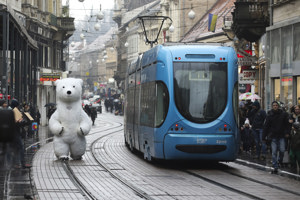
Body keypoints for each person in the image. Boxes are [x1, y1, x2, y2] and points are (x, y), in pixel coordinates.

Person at [263, 101, 290, 174]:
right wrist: (264, 136)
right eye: (274, 105)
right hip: (273, 136)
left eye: (276, 105)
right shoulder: (269, 115)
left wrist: (287, 132)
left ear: (278, 106)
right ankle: (275, 166)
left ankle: (279, 160)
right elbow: (266, 126)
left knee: (282, 150)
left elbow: (287, 124)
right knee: (274, 152)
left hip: (281, 135)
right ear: (272, 106)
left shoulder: (283, 114)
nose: (275, 106)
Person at [10, 99, 31, 169]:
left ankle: (16, 163)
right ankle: (22, 163)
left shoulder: (12, 111)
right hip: (15, 133)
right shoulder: (14, 112)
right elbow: (16, 123)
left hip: (13, 133)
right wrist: (22, 122)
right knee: (21, 148)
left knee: (15, 148)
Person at [288, 105, 300, 170]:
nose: (297, 111)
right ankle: (293, 165)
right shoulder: (291, 116)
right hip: (293, 134)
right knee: (292, 154)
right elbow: (289, 123)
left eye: (298, 109)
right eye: (296, 109)